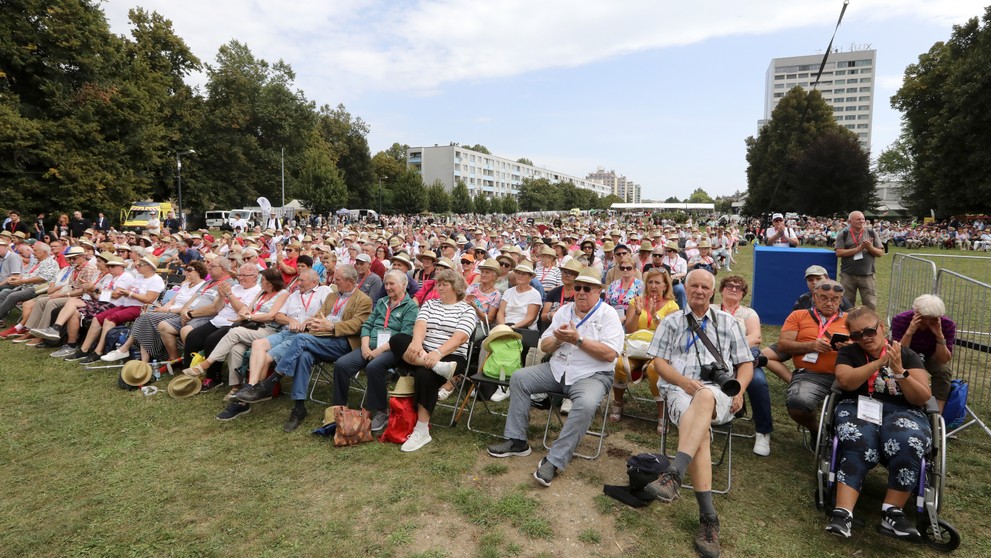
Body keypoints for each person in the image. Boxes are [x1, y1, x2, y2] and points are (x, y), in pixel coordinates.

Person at [642, 269, 754, 558]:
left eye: (705, 286)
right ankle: (708, 518)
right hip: (680, 389)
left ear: (712, 291)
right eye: (694, 285)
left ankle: (674, 473)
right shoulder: (672, 321)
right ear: (685, 288)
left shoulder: (730, 323)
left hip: (721, 393)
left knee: (705, 396)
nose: (699, 291)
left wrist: (739, 390)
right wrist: (682, 382)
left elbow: (745, 364)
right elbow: (659, 363)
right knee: (700, 431)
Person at [486, 266, 622, 486]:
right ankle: (517, 440)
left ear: (599, 291)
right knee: (520, 378)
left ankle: (556, 459)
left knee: (586, 404)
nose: (581, 292)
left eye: (587, 288)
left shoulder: (609, 315)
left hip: (592, 375)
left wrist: (578, 340)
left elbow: (609, 354)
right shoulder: (564, 311)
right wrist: (559, 339)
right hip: (558, 369)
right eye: (578, 287)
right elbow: (545, 346)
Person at [825, 306, 932, 540]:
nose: (865, 338)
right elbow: (845, 381)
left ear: (881, 328)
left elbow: (922, 397)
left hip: (903, 410)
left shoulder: (906, 354)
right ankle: (843, 512)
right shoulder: (850, 353)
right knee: (857, 438)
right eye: (857, 335)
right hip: (859, 405)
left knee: (908, 440)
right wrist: (877, 364)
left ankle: (892, 512)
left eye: (870, 331)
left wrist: (900, 371)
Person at [236, 266, 372, 432]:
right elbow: (317, 316)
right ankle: (299, 408)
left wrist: (331, 326)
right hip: (320, 338)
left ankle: (270, 382)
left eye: (338, 280)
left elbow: (357, 325)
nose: (334, 282)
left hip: (342, 343)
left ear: (350, 281)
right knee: (304, 356)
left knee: (300, 339)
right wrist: (310, 323)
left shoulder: (363, 300)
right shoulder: (332, 296)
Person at [387, 269, 477, 451]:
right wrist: (417, 343)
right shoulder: (430, 304)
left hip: (451, 357)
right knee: (397, 339)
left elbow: (459, 338)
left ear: (456, 287)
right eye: (438, 283)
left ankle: (422, 429)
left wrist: (438, 353)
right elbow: (420, 324)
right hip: (424, 353)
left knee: (424, 374)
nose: (440, 287)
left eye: (445, 284)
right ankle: (436, 367)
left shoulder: (467, 310)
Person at [325, 269, 419, 431]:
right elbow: (367, 325)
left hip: (394, 349)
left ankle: (381, 411)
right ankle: (339, 407)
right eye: (386, 283)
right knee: (342, 364)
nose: (388, 287)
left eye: (392, 284)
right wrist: (365, 346)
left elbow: (404, 334)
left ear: (404, 285)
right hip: (369, 346)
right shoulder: (382, 302)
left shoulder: (410, 307)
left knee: (374, 366)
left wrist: (377, 352)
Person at [609, 267, 679, 430]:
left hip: (658, 352)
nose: (653, 286)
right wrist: (637, 313)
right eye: (650, 282)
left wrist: (655, 316)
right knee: (619, 364)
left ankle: (662, 413)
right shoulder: (636, 301)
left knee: (656, 369)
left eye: (657, 282)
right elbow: (630, 329)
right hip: (635, 348)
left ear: (665, 286)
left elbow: (669, 333)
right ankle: (617, 402)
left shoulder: (672, 306)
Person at [99, 260, 210, 363]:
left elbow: (190, 307)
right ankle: (143, 360)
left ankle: (127, 350)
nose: (186, 272)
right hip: (168, 311)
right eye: (186, 269)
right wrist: (162, 308)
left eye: (189, 270)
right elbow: (172, 301)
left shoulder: (202, 286)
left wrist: (166, 310)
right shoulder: (186, 284)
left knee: (146, 317)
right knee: (145, 316)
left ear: (199, 271)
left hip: (179, 314)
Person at [776, 279, 851, 432]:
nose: (829, 303)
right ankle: (816, 430)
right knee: (798, 404)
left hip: (847, 375)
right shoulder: (798, 316)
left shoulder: (851, 319)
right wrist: (809, 346)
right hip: (810, 375)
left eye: (835, 299)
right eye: (824, 298)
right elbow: (783, 344)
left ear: (841, 300)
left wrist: (852, 348)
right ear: (814, 297)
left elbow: (871, 345)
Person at [712, 275, 774, 456]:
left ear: (743, 294)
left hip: (744, 359)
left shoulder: (748, 313)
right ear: (721, 289)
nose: (733, 289)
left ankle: (763, 432)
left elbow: (755, 338)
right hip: (716, 360)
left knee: (757, 382)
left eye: (738, 288)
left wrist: (730, 346)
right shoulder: (712, 309)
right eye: (729, 286)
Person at [889, 294, 955, 412]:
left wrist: (939, 335)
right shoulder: (901, 319)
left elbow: (943, 359)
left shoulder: (947, 324)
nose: (927, 321)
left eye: (932, 318)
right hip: (907, 353)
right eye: (923, 317)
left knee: (943, 371)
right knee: (896, 368)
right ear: (915, 311)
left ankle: (936, 412)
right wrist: (910, 332)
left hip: (931, 354)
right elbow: (899, 351)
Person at [835, 211, 884, 310]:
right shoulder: (843, 234)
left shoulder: (871, 232)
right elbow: (839, 253)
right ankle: (847, 323)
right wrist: (858, 249)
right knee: (846, 303)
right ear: (850, 221)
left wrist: (869, 247)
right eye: (858, 219)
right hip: (848, 275)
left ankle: (869, 324)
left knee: (870, 304)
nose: (861, 221)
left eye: (863, 219)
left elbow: (880, 253)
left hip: (867, 275)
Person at [497, 263, 541, 330]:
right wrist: (503, 327)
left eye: (524, 274)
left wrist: (513, 327)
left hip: (524, 329)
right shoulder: (508, 292)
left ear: (530, 277)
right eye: (518, 273)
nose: (520, 276)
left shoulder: (535, 294)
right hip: (505, 326)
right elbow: (500, 313)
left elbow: (530, 318)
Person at [604, 255, 644, 321]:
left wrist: (624, 318)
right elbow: (606, 304)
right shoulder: (614, 284)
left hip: (632, 319)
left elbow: (641, 306)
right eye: (622, 268)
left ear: (634, 270)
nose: (625, 270)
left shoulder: (640, 285)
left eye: (628, 268)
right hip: (613, 318)